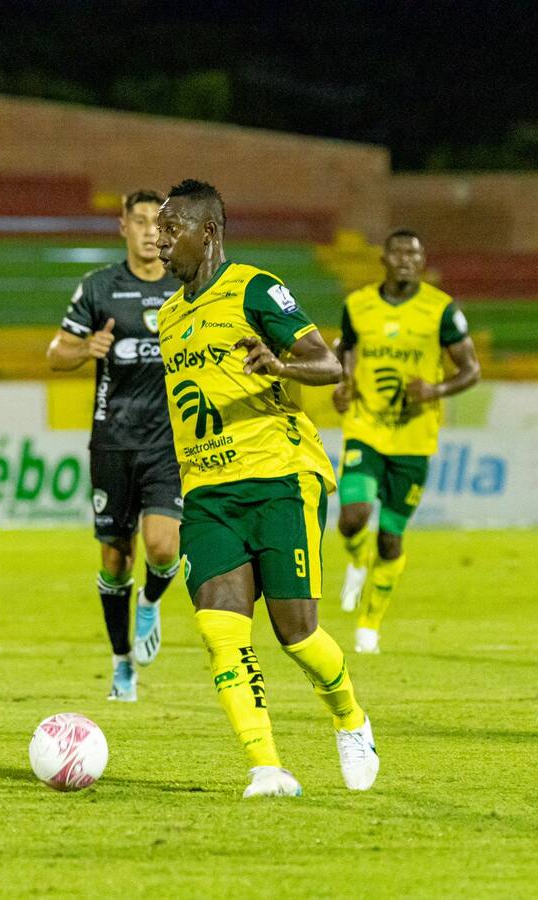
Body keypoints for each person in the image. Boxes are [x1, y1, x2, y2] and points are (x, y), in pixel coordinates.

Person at [155, 178, 378, 798]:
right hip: (207, 492)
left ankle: (350, 719)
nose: (160, 241)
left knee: (296, 632)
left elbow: (328, 363)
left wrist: (279, 365)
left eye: (172, 231)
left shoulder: (255, 288)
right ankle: (267, 767)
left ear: (210, 233)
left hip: (279, 477)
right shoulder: (169, 316)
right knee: (220, 627)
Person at [45, 190, 183, 702]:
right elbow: (55, 353)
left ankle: (151, 599)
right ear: (122, 226)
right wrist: (85, 349)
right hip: (112, 440)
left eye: (158, 222)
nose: (150, 230)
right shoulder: (99, 287)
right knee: (115, 557)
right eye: (141, 220)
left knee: (164, 548)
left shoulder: (185, 288)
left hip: (169, 441)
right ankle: (122, 660)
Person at [332, 229, 481, 654]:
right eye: (397, 252)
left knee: (391, 540)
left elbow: (471, 370)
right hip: (366, 427)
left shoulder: (441, 310)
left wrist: (435, 391)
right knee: (353, 516)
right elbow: (345, 348)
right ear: (384, 259)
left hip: (415, 437)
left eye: (413, 254)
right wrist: (343, 384)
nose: (405, 260)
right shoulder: (357, 305)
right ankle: (356, 558)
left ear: (421, 261)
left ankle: (369, 625)